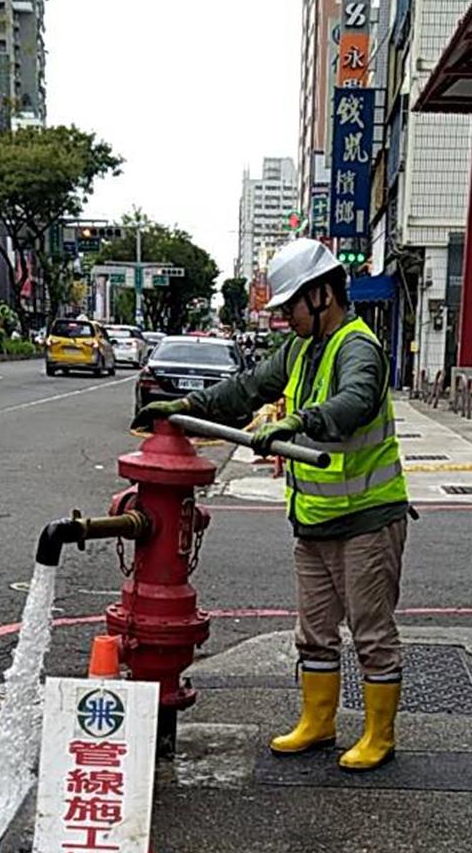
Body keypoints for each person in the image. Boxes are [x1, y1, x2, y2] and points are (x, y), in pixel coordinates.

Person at [133, 238, 410, 769]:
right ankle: (319, 722)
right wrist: (187, 405)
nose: (285, 317)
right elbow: (247, 388)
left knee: (371, 634)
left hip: (367, 521)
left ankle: (380, 734)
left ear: (323, 295)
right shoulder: (301, 350)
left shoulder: (358, 346)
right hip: (313, 519)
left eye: (290, 306)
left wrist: (300, 421)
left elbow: (353, 402)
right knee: (314, 632)